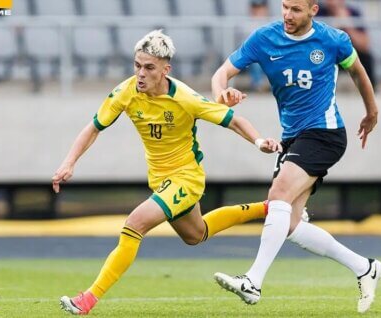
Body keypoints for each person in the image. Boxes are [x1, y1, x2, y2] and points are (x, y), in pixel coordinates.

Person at [53, 30, 282, 315]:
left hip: (186, 178)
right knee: (196, 235)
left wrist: (260, 141)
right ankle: (270, 209)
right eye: (137, 65)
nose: (140, 73)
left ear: (165, 70)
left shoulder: (185, 98)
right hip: (161, 181)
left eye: (149, 67)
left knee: (134, 224)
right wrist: (69, 162)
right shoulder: (125, 92)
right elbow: (94, 127)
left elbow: (233, 120)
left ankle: (87, 299)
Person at [211, 0, 381, 314]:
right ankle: (364, 267)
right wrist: (222, 93)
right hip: (294, 138)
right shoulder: (265, 38)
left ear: (313, 10)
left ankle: (252, 282)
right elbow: (221, 73)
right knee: (288, 224)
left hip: (325, 133)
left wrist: (371, 112)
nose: (288, 15)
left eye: (296, 10)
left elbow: (358, 73)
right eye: (285, 7)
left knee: (277, 195)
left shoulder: (333, 39)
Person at [317, 0, 376, 89]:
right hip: (326, 54)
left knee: (366, 57)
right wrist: (333, 30)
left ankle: (370, 91)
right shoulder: (318, 12)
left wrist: (347, 24)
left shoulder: (353, 12)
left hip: (347, 54)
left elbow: (364, 45)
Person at [247, 0, 269, 91]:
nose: (258, 10)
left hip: (269, 52)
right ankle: (258, 85)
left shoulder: (271, 23)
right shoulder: (246, 23)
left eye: (260, 8)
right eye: (256, 8)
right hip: (254, 53)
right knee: (256, 61)